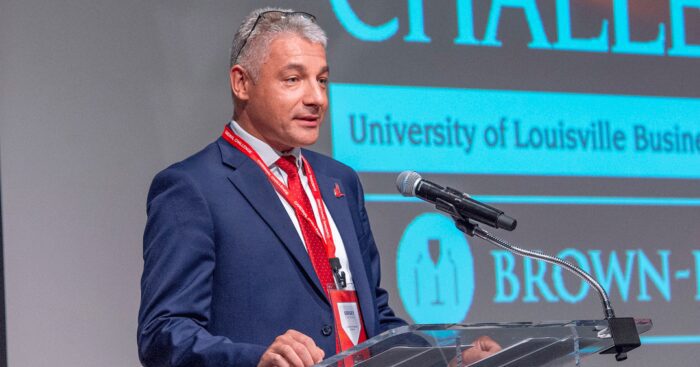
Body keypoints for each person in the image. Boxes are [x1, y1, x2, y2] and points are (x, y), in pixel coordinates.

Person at [137, 7, 499, 367]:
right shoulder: (193, 188)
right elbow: (164, 334)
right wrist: (257, 359)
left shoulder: (339, 182)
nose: (317, 99)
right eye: (293, 80)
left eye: (322, 80)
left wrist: (447, 358)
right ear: (241, 83)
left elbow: (373, 320)